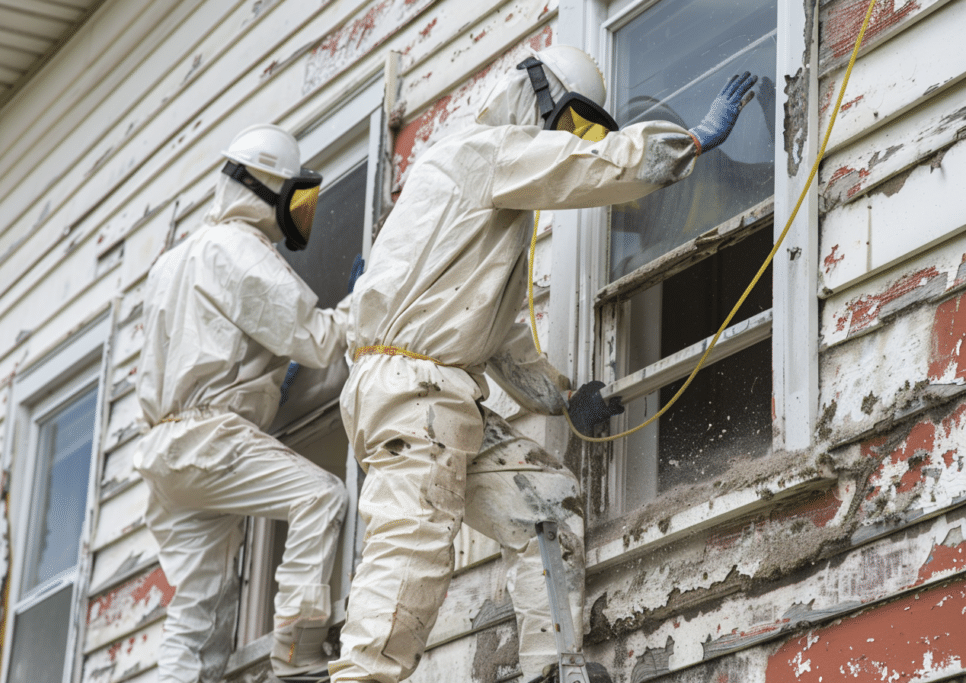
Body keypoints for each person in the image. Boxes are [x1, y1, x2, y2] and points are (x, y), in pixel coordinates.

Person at [327, 44, 757, 683]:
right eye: (573, 124)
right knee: (412, 543)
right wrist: (686, 143)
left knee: (544, 502)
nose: (569, 141)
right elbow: (588, 165)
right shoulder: (482, 152)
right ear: (539, 97)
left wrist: (561, 396)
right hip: (413, 390)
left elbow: (501, 343)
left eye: (579, 132)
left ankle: (551, 670)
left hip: (442, 395)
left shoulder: (481, 201)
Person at [134, 124, 350, 682]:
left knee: (194, 609)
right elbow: (321, 339)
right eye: (295, 200)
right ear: (267, 192)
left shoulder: (172, 264)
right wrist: (367, 302)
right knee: (320, 498)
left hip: (164, 451)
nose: (298, 215)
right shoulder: (239, 251)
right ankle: (297, 654)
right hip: (211, 438)